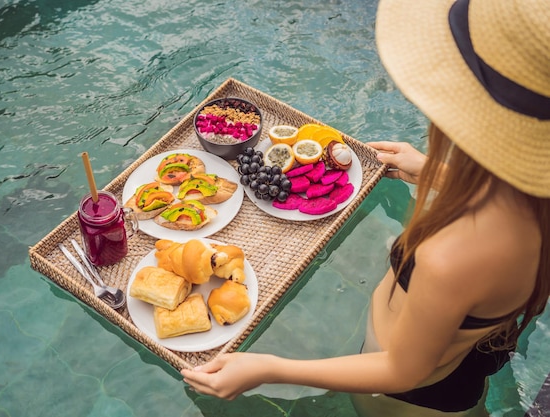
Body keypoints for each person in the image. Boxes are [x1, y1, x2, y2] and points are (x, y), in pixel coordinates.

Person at [181, 0, 550, 415]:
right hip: (458, 363)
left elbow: (401, 370)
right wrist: (434, 171)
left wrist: (267, 367)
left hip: (408, 398)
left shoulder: (454, 257)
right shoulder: (532, 207)